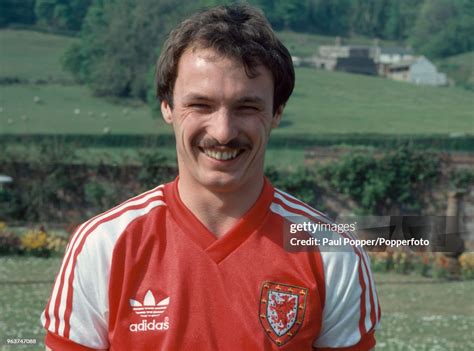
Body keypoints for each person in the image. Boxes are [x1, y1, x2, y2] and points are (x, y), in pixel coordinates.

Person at [41, 4, 380, 350]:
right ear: (167, 107)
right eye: (200, 105)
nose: (222, 132)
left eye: (246, 107)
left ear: (277, 112)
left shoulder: (332, 253)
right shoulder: (103, 245)